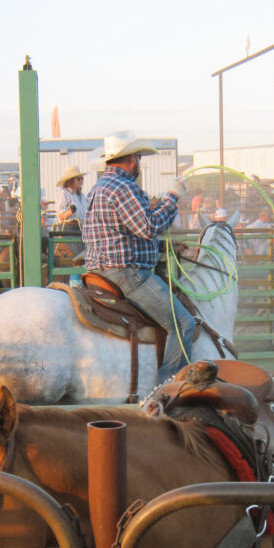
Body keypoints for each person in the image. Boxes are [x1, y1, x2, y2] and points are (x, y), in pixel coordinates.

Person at [82, 130, 194, 384]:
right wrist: (173, 196)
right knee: (183, 323)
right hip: (127, 274)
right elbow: (149, 226)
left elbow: (129, 231)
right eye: (139, 159)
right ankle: (169, 388)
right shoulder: (123, 188)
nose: (139, 164)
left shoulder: (98, 188)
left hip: (99, 271)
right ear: (132, 159)